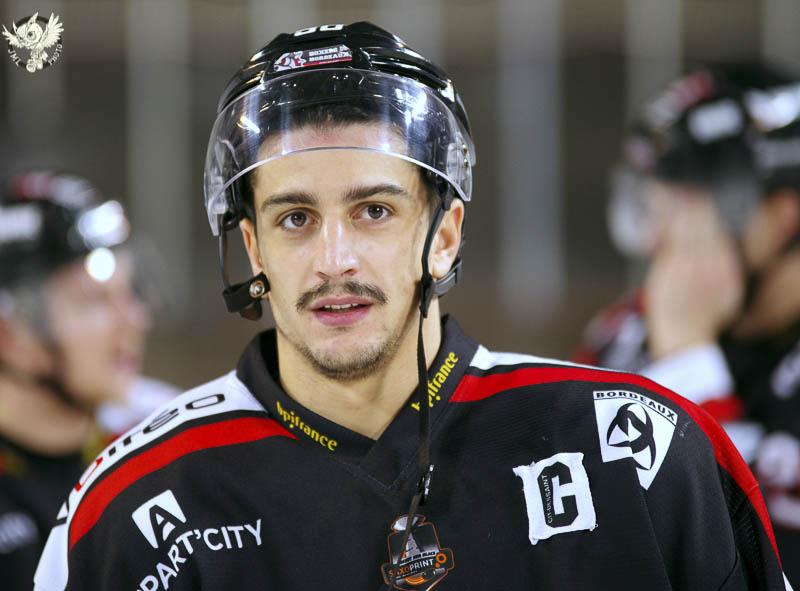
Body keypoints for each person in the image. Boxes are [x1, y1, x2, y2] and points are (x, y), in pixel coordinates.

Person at [36, 24, 791, 591]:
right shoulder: (129, 507)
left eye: (374, 211)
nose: (334, 259)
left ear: (445, 235)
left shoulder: (640, 449)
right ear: (254, 248)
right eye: (295, 218)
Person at [573, 65, 800, 585]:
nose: (657, 239)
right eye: (654, 206)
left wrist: (686, 363)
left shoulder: (668, 332)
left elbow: (759, 566)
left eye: (688, 212)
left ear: (781, 216)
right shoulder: (624, 332)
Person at [0, 171, 173, 589]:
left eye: (129, 292)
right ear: (10, 335)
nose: (135, 320)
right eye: (94, 302)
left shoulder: (164, 431)